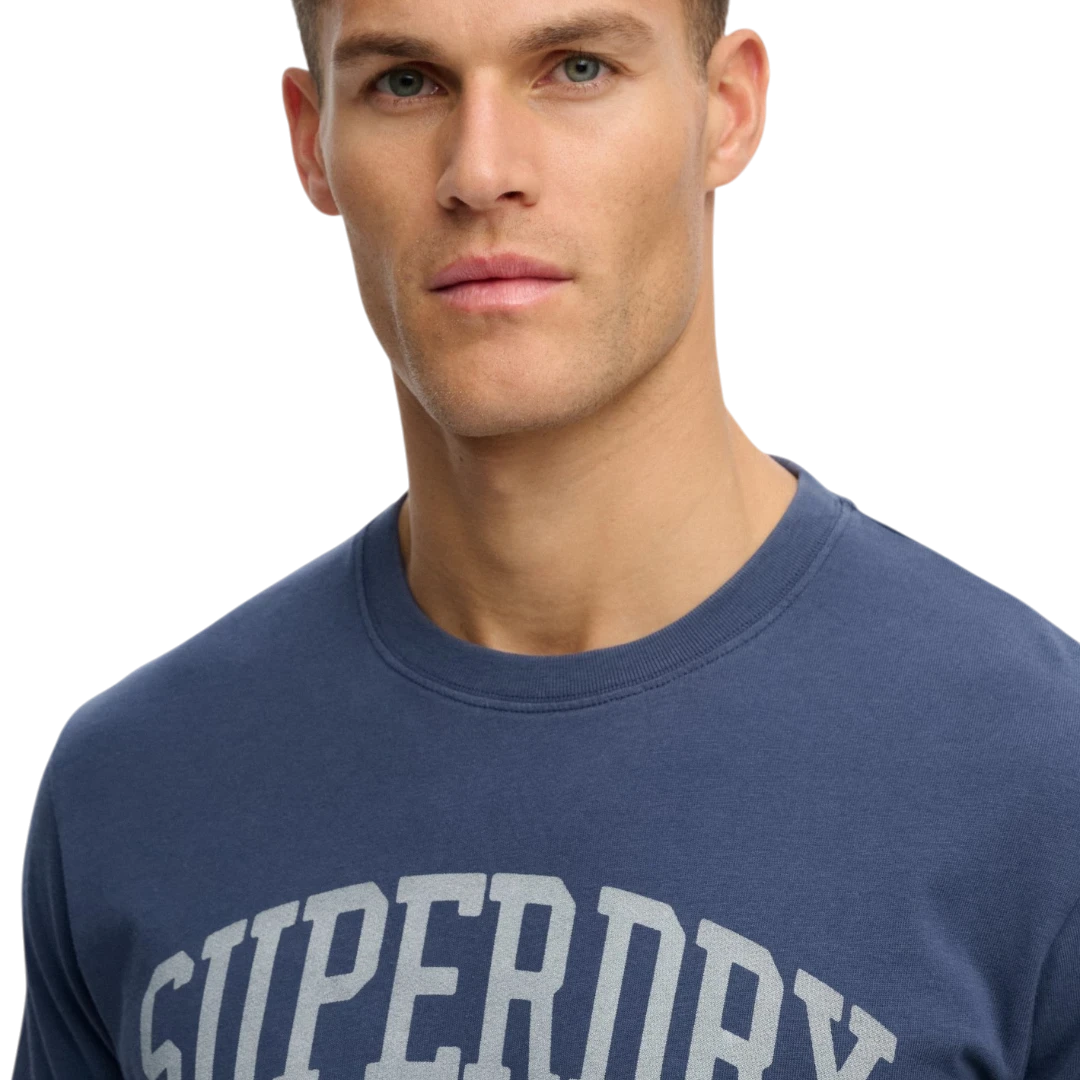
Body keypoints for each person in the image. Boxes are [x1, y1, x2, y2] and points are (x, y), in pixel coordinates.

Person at [14, 0, 1079, 1075]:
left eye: (575, 69)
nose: (481, 171)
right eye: (405, 82)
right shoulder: (134, 791)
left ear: (729, 109)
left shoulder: (1038, 773)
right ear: (311, 140)